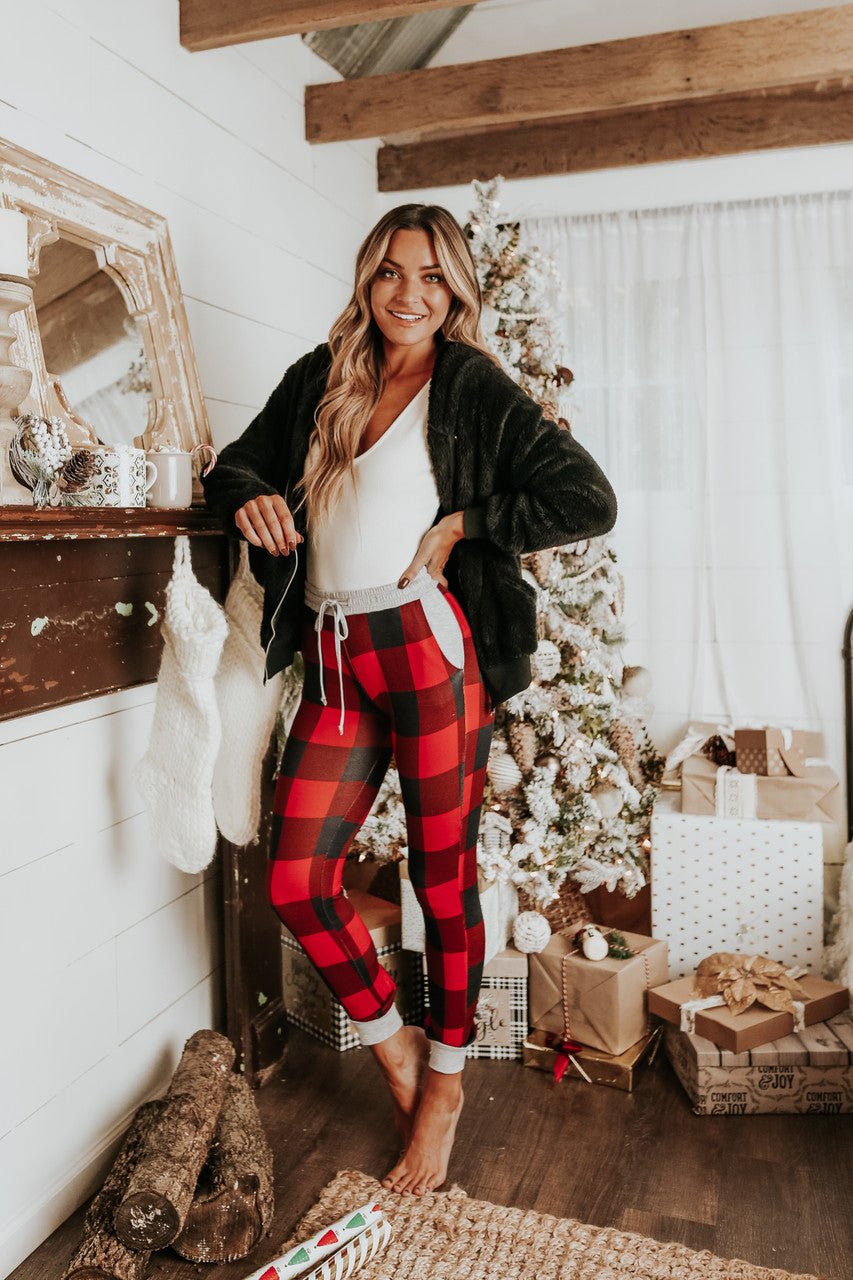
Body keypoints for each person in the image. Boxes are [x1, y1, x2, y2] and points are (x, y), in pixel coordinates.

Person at [202, 203, 617, 1198]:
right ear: (366, 276)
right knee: (299, 876)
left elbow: (586, 497)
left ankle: (444, 1085)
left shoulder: (468, 380)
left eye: (431, 276)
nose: (408, 292)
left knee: (441, 882)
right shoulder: (322, 375)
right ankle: (392, 1042)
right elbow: (237, 467)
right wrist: (249, 497)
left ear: (456, 289)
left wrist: (466, 521)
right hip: (338, 656)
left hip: (427, 649)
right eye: (391, 270)